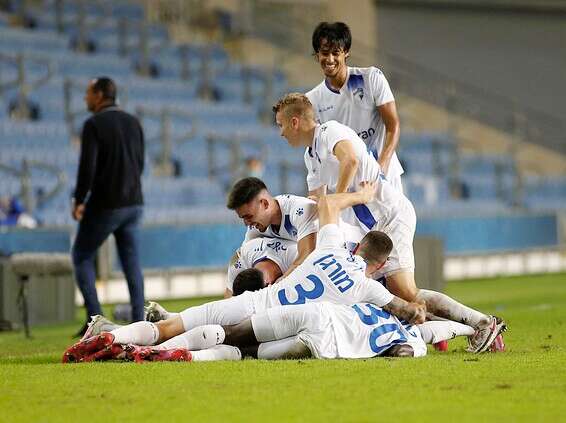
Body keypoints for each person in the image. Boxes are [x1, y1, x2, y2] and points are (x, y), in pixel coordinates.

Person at [63, 183, 430, 363]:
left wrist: (357, 195)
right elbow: (407, 308)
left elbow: (329, 203)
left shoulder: (329, 245)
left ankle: (117, 339)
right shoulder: (367, 287)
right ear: (378, 264)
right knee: (234, 347)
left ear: (356, 245)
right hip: (276, 319)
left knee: (175, 324)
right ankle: (150, 353)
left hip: (256, 299)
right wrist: (413, 311)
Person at [272, 93, 506, 353]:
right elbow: (317, 200)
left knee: (404, 290)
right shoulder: (310, 156)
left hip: (391, 214)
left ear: (294, 122)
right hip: (371, 227)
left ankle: (482, 323)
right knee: (383, 293)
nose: (280, 132)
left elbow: (350, 160)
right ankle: (457, 329)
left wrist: (340, 200)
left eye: (280, 124)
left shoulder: (329, 130)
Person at [71, 77, 145, 337]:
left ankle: (95, 319)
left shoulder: (93, 125)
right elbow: (140, 163)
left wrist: (79, 200)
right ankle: (139, 320)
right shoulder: (134, 122)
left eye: (88, 93)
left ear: (100, 95)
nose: (85, 98)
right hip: (135, 203)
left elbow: (87, 168)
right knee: (131, 261)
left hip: (106, 204)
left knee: (81, 255)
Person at [306, 22, 403, 192]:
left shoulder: (371, 78)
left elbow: (393, 125)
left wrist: (382, 166)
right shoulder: (312, 100)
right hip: (351, 184)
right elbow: (320, 152)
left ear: (346, 53)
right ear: (317, 55)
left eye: (336, 53)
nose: (330, 59)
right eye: (324, 53)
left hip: (385, 177)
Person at [227, 177, 318, 278]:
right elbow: (245, 258)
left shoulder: (301, 210)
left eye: (248, 216)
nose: (246, 223)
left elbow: (308, 256)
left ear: (265, 204)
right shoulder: (256, 227)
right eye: (243, 218)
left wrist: (277, 286)